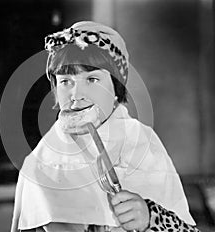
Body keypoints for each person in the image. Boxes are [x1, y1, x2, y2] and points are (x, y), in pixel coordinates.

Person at [11, 21, 201, 232]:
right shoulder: (41, 159)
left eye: (92, 79)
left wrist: (150, 218)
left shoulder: (142, 143)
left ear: (116, 89)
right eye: (65, 81)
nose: (76, 95)